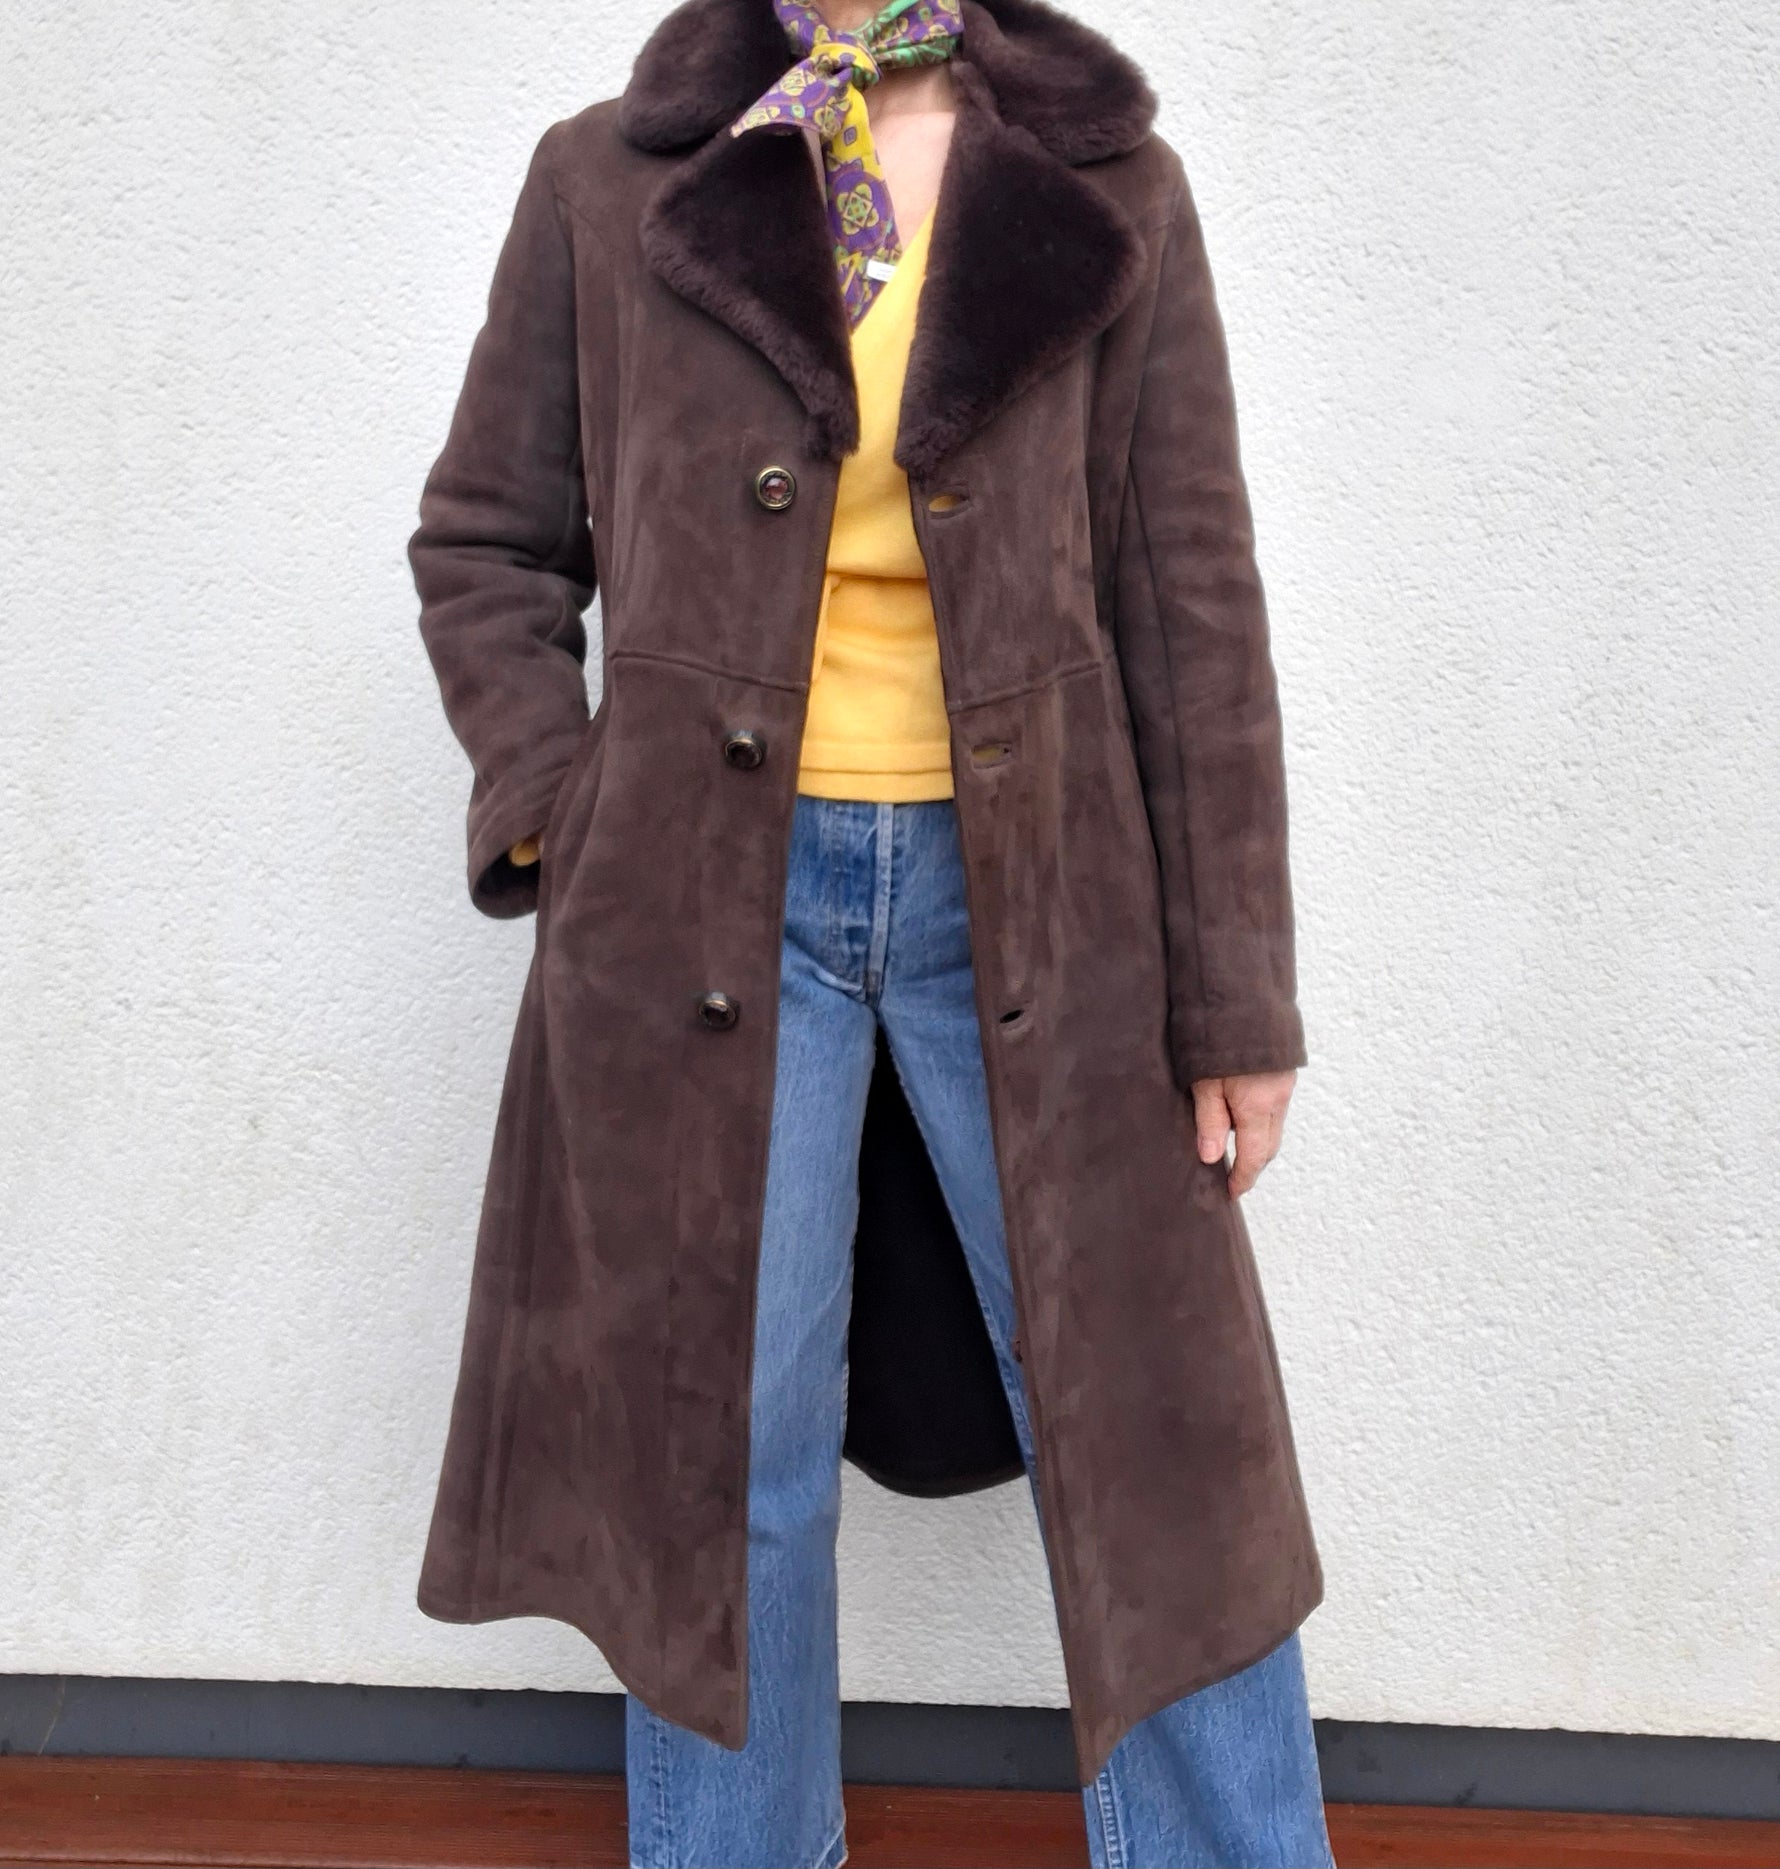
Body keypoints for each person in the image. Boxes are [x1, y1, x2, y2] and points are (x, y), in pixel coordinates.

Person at [409, 0, 1330, 1862]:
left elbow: (1194, 603)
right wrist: (564, 803)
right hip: (702, 904)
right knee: (724, 1439)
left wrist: (1237, 994)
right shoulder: (609, 178)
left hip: (1048, 894)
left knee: (1156, 1435)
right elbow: (487, 542)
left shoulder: (1108, 186)